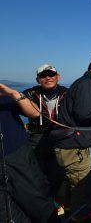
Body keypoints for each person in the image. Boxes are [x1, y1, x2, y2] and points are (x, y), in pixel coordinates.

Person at [50, 54, 91, 217]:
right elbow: (84, 114)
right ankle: (79, 218)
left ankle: (66, 212)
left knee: (69, 185)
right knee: (81, 188)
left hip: (68, 146)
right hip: (75, 148)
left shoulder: (84, 83)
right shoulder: (88, 85)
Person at [0, 83, 59, 222]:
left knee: (38, 202)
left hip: (18, 157)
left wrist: (14, 94)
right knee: (7, 214)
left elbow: (35, 112)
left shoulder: (4, 96)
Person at [23, 64, 67, 197]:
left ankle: (62, 204)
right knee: (36, 173)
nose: (48, 77)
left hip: (61, 138)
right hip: (36, 138)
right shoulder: (29, 94)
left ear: (58, 77)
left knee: (61, 174)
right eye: (43, 75)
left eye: (51, 74)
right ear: (38, 80)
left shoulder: (69, 93)